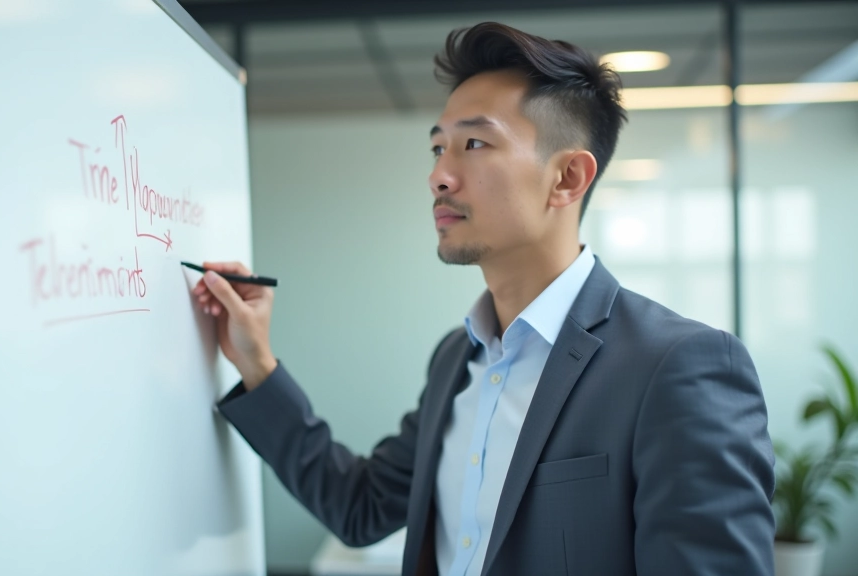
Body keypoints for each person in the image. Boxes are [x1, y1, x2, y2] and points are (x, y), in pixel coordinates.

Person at [191, 22, 775, 576]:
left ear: (568, 178)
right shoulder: (458, 358)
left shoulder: (678, 367)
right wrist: (256, 364)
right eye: (437, 149)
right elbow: (362, 507)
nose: (439, 176)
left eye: (473, 143)